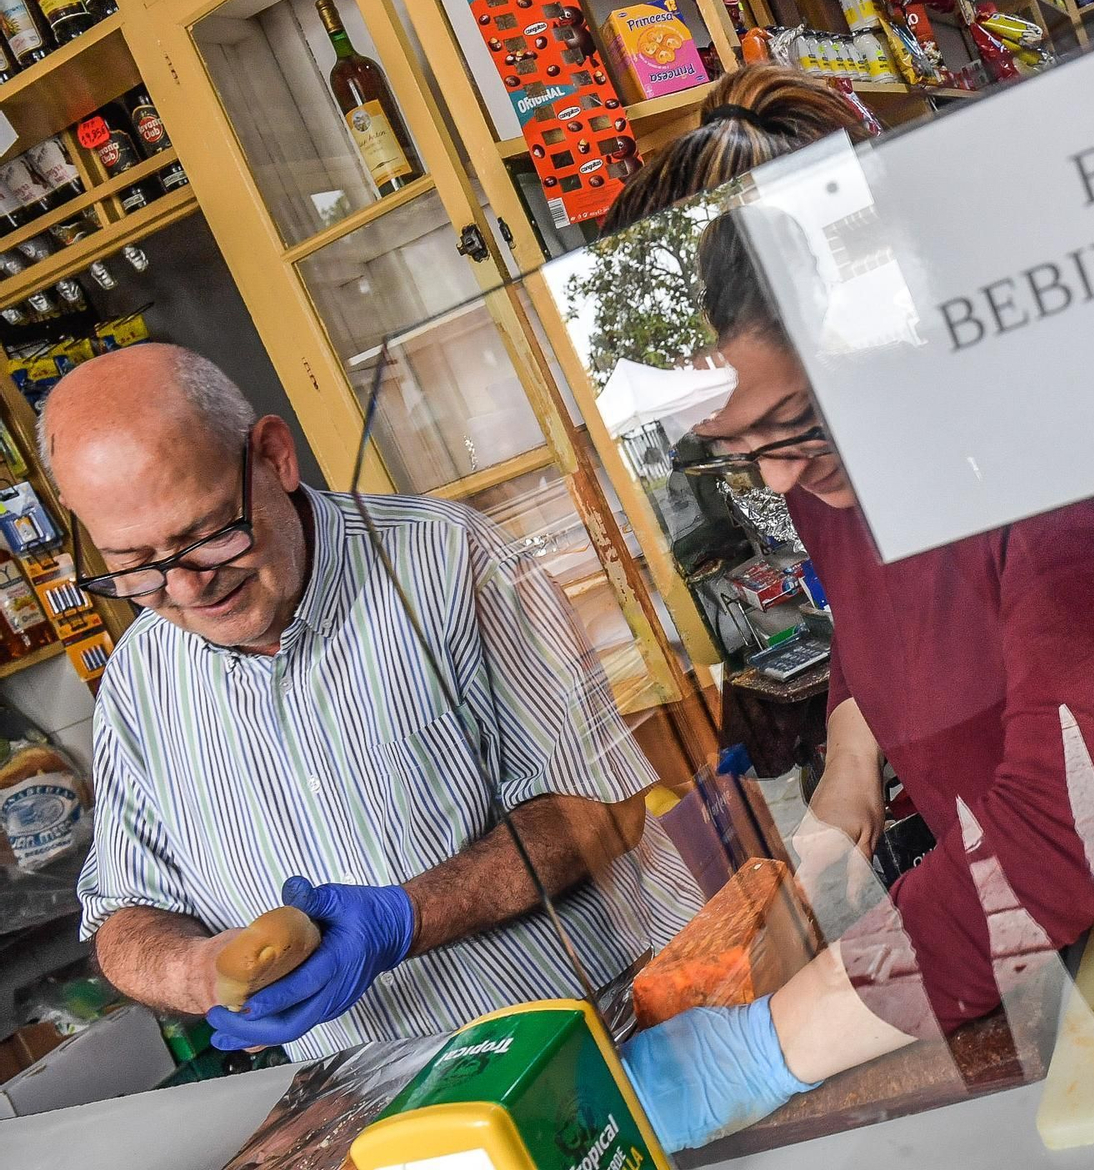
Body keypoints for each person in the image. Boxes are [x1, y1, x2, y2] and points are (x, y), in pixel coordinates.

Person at [607, 66, 1094, 1148]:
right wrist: (844, 772)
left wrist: (764, 1044)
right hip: (1089, 969)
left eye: (788, 426)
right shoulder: (839, 467)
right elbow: (893, 620)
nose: (777, 482)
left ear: (873, 323)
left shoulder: (1073, 449)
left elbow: (1066, 832)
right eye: (735, 450)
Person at [44, 344, 689, 1060]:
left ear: (275, 456)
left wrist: (405, 918)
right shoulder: (139, 681)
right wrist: (195, 969)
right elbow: (120, 917)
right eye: (136, 567)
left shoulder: (450, 561)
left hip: (614, 1036)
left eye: (209, 534)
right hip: (387, 1104)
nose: (190, 587)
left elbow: (602, 808)